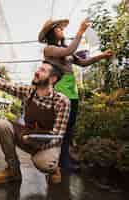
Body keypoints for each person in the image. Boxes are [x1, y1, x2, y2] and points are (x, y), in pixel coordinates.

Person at [0, 61, 70, 184]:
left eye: (42, 70)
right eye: (38, 69)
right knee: (2, 125)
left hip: (46, 144)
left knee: (43, 164)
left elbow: (57, 137)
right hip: (28, 136)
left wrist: (34, 141)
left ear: (52, 79)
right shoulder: (29, 92)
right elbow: (4, 84)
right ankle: (13, 171)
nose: (36, 72)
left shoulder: (62, 101)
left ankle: (54, 169)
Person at [38, 18, 113, 171]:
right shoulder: (49, 49)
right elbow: (68, 51)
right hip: (60, 91)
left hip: (72, 91)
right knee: (62, 127)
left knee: (70, 126)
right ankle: (61, 161)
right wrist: (80, 32)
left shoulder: (66, 48)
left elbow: (83, 63)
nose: (62, 31)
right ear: (51, 33)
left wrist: (102, 55)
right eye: (59, 29)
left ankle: (66, 155)